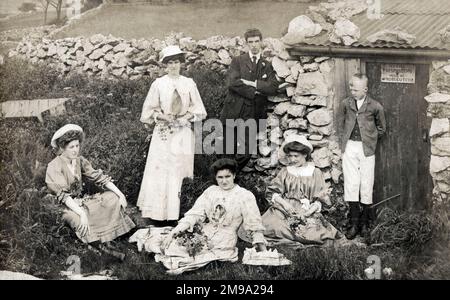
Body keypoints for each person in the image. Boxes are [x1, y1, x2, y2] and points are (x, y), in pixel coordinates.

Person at [134, 158, 267, 275]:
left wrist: (263, 253)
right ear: (215, 178)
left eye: (227, 176)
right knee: (169, 244)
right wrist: (174, 232)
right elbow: (195, 214)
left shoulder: (245, 195)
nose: (224, 181)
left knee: (182, 253)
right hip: (204, 232)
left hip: (224, 240)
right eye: (220, 177)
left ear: (234, 175)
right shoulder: (211, 191)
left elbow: (254, 225)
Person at [137, 45, 207, 224]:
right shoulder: (158, 84)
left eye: (176, 62)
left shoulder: (189, 83)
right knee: (161, 170)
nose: (173, 66)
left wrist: (187, 117)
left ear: (181, 64)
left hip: (182, 132)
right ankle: (158, 215)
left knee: (178, 170)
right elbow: (148, 111)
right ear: (165, 65)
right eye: (170, 62)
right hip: (163, 133)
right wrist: (162, 116)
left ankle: (179, 212)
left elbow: (199, 109)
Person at [45, 124, 135, 245]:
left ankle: (112, 234)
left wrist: (121, 194)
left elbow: (99, 177)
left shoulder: (79, 160)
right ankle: (97, 243)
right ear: (62, 148)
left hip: (80, 201)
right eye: (71, 147)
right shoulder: (54, 166)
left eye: (77, 145)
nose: (75, 150)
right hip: (64, 206)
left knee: (112, 197)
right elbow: (64, 196)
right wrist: (81, 213)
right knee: (76, 218)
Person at [250, 134, 339, 247]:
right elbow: (274, 193)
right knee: (273, 226)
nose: (292, 159)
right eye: (290, 156)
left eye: (296, 156)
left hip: (306, 210)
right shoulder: (285, 171)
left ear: (305, 154)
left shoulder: (315, 173)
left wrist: (307, 213)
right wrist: (285, 205)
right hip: (284, 208)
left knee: (313, 233)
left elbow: (320, 199)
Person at [220, 28, 278, 171]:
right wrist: (255, 91)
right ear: (246, 44)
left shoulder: (267, 65)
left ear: (261, 42)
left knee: (246, 152)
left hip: (253, 113)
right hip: (234, 111)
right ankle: (223, 181)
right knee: (227, 149)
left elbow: (273, 87)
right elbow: (232, 83)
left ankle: (232, 175)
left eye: (257, 41)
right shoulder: (238, 61)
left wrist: (253, 83)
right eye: (250, 42)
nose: (254, 45)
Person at [341, 73, 386, 239]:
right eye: (351, 88)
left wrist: (370, 139)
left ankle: (365, 223)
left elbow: (382, 128)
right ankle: (354, 223)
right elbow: (341, 123)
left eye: (357, 89)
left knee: (366, 183)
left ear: (365, 89)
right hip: (350, 147)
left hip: (366, 149)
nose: (353, 91)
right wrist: (344, 142)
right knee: (351, 184)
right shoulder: (346, 104)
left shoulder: (375, 106)